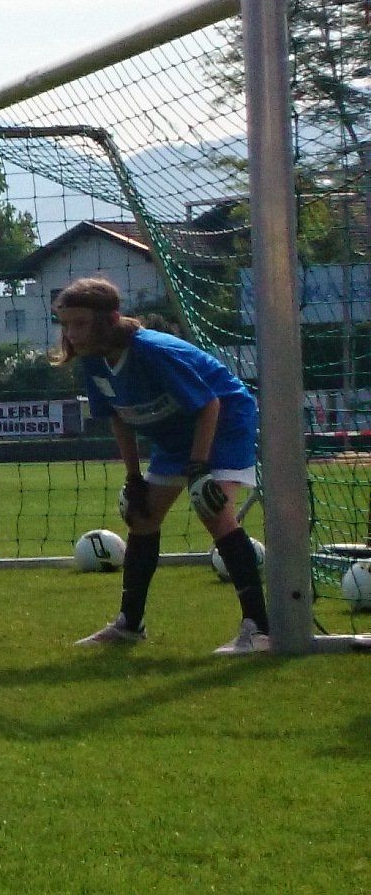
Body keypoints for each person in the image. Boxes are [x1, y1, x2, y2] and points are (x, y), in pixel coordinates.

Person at [56, 276, 276, 654]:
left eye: (80, 323)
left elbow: (210, 404)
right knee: (141, 516)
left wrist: (198, 467)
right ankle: (129, 625)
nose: (71, 334)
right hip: (175, 436)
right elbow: (118, 418)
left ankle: (259, 630)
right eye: (65, 324)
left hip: (222, 425)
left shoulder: (152, 351)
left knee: (213, 510)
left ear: (110, 319)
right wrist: (133, 477)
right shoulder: (93, 361)